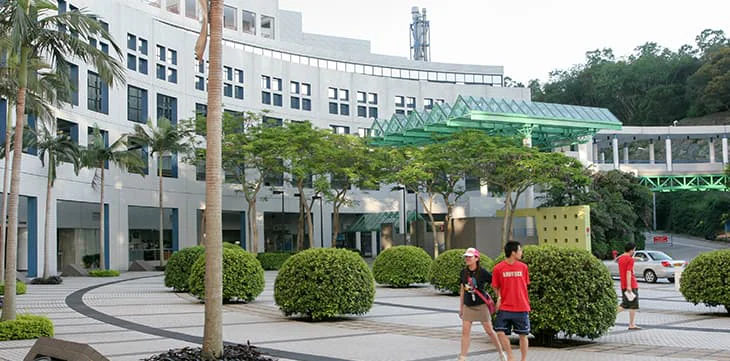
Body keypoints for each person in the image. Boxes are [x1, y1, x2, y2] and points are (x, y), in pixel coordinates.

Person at [458, 247, 505, 361]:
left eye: (470, 257)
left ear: (476, 258)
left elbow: (495, 284)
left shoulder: (483, 272)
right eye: (466, 257)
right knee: (465, 332)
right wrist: (461, 308)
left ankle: (501, 352)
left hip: (481, 305)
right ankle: (463, 357)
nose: (467, 259)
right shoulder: (463, 272)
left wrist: (499, 297)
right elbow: (462, 290)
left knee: (489, 331)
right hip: (468, 305)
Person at [492, 241, 530, 361]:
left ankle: (523, 359)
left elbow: (525, 285)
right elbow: (495, 286)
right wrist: (499, 298)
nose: (521, 252)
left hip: (521, 306)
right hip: (505, 307)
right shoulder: (498, 268)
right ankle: (510, 357)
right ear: (513, 252)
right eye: (520, 250)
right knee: (499, 331)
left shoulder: (523, 267)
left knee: (523, 335)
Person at [617, 242, 641, 330]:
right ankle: (631, 324)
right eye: (634, 250)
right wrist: (629, 286)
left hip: (623, 284)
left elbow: (617, 259)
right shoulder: (630, 260)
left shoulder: (621, 258)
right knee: (633, 305)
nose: (634, 251)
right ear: (631, 250)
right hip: (631, 284)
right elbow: (628, 272)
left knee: (624, 304)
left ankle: (610, 316)